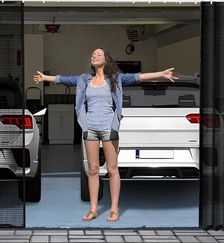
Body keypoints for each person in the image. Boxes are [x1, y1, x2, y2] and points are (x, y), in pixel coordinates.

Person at [33, 47, 177, 222]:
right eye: (93, 54)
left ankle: (114, 209)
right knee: (93, 169)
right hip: (90, 129)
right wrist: (45, 77)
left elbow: (138, 77)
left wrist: (161, 74)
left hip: (109, 128)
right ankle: (93, 209)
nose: (94, 56)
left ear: (106, 60)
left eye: (98, 54)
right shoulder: (84, 79)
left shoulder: (115, 78)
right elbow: (64, 79)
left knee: (112, 169)